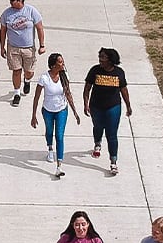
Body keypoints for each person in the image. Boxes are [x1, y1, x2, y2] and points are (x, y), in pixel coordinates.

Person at [29, 53, 81, 178]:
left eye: (62, 61)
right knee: (49, 131)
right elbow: (36, 97)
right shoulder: (44, 78)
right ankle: (50, 148)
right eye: (60, 62)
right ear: (53, 65)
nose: (63, 64)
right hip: (47, 110)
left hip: (62, 110)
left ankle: (59, 166)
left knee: (59, 136)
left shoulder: (64, 75)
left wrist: (75, 112)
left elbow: (68, 94)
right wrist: (33, 115)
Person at [82, 48, 133, 176]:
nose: (100, 60)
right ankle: (97, 143)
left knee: (112, 134)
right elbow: (87, 88)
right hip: (96, 106)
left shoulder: (119, 73)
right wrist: (86, 103)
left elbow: (124, 90)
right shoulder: (95, 70)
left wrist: (128, 106)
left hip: (113, 107)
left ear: (110, 59)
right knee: (98, 127)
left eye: (103, 57)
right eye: (100, 57)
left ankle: (113, 162)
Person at [0, 0, 46, 107]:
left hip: (29, 48)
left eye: (13, 0)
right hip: (13, 48)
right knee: (16, 71)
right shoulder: (6, 14)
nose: (11, 3)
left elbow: (39, 28)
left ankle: (27, 81)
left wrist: (42, 45)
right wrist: (2, 47)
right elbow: (3, 30)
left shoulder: (31, 11)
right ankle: (17, 94)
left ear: (20, 1)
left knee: (29, 72)